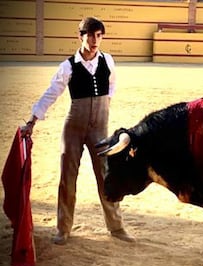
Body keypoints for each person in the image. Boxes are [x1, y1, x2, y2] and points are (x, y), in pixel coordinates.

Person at [20, 17, 134, 245]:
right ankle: (63, 229)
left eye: (99, 35)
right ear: (80, 36)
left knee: (106, 176)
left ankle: (116, 227)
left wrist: (105, 106)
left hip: (100, 129)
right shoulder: (68, 66)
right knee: (67, 177)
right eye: (90, 35)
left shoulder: (108, 61)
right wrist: (32, 121)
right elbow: (51, 93)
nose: (95, 40)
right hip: (74, 128)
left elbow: (112, 85)